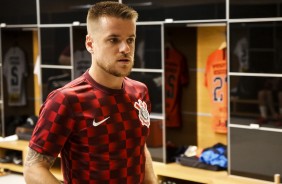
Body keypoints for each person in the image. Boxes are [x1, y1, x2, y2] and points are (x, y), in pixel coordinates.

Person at [23, 1, 158, 184]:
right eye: (113, 39)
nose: (125, 48)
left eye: (130, 39)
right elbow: (33, 168)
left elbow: (139, 147)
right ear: (90, 43)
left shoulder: (139, 91)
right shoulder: (66, 99)